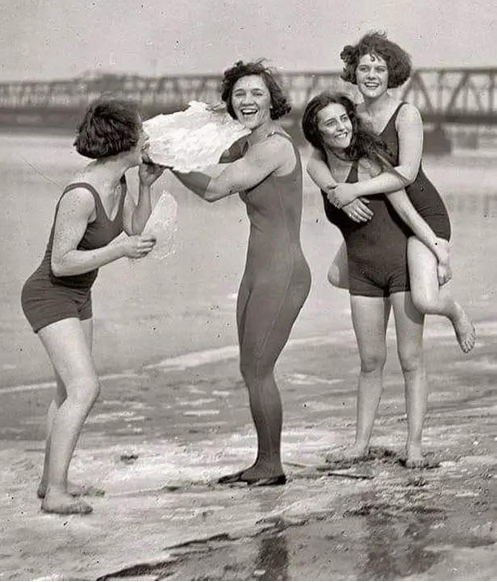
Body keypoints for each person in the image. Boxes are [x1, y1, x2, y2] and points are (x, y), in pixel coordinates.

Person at [171, 60, 311, 486]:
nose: (248, 101)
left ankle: (271, 465)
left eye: (257, 94)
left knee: (258, 367)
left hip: (282, 272)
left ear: (273, 100)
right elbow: (210, 153)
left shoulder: (273, 147)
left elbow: (214, 188)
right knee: (250, 369)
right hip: (258, 272)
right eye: (239, 95)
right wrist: (201, 123)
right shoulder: (250, 142)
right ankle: (264, 460)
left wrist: (167, 162)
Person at [21, 98, 164, 515]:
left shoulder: (119, 182)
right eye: (142, 131)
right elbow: (61, 263)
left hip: (79, 294)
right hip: (50, 292)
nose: (148, 138)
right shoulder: (81, 194)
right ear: (124, 140)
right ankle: (57, 494)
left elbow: (134, 231)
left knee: (68, 390)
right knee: (86, 388)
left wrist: (147, 186)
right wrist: (119, 249)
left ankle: (52, 482)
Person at [302, 91, 454, 468]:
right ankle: (359, 444)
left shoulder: (370, 163)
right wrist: (336, 194)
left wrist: (437, 249)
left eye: (344, 119)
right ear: (317, 132)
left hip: (400, 264)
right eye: (330, 123)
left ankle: (414, 446)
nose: (341, 127)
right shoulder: (318, 168)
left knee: (410, 359)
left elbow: (406, 208)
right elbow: (317, 171)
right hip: (363, 272)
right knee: (370, 361)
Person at [307, 31, 475, 353]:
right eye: (365, 68)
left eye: (379, 69)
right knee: (334, 276)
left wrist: (354, 189)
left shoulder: (406, 114)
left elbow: (406, 174)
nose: (371, 76)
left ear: (391, 74)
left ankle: (453, 310)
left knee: (424, 299)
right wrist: (334, 190)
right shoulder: (350, 115)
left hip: (421, 213)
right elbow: (314, 162)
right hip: (386, 218)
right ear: (353, 72)